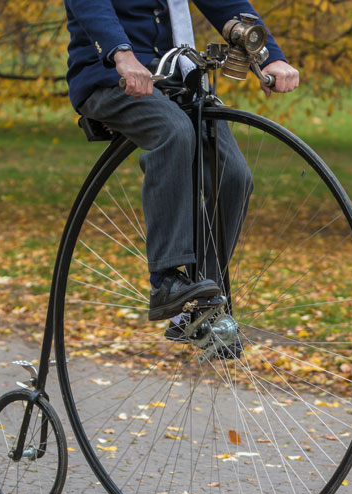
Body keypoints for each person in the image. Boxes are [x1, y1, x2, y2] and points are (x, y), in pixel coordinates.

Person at [64, 1, 299, 327]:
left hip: (178, 77)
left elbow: (225, 3)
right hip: (113, 76)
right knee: (173, 132)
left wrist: (270, 55)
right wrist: (122, 53)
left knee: (232, 176)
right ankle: (166, 281)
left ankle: (198, 307)